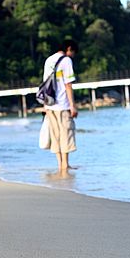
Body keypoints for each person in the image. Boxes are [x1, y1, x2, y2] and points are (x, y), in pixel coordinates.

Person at [43, 39, 79, 171]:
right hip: (63, 104)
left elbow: (45, 84)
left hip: (50, 104)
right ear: (68, 48)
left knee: (55, 134)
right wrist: (73, 105)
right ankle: (65, 164)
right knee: (66, 133)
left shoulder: (48, 60)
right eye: (73, 52)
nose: (73, 55)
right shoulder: (66, 61)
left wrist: (45, 105)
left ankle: (60, 164)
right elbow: (68, 84)